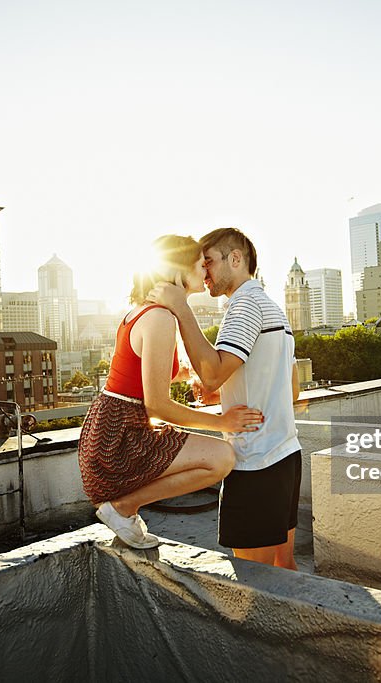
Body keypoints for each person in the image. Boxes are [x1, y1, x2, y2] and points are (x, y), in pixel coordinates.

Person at [77, 235, 264, 549]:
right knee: (222, 458)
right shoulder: (160, 318)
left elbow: (140, 374)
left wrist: (188, 375)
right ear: (177, 270)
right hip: (120, 437)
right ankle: (123, 508)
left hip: (112, 427)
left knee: (218, 457)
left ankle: (123, 509)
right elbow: (157, 407)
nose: (206, 271)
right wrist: (223, 423)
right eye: (200, 264)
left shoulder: (144, 312)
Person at [150, 228, 302, 570]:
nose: (204, 274)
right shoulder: (272, 307)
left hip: (256, 461)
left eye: (209, 262)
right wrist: (226, 390)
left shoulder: (244, 306)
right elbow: (290, 389)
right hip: (287, 454)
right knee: (285, 568)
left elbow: (213, 372)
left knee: (255, 580)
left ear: (236, 259)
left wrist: (180, 307)